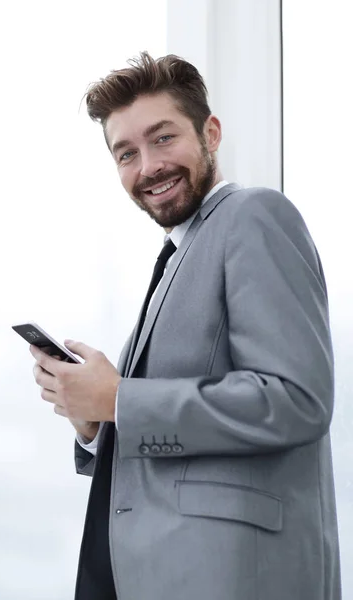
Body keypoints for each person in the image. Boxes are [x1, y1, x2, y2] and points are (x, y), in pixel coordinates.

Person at [30, 52, 341, 600]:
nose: (147, 166)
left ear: (211, 133)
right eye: (126, 153)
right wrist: (95, 421)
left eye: (163, 138)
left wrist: (120, 400)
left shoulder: (254, 216)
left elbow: (296, 400)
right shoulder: (181, 253)